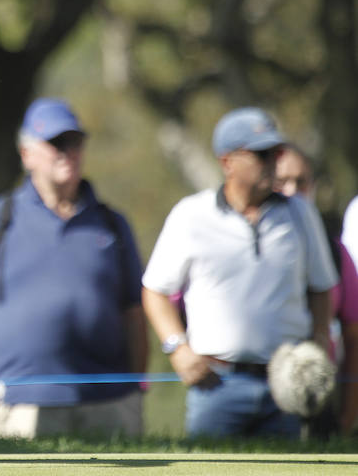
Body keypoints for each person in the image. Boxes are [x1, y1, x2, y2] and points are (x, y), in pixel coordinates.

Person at [0, 98, 148, 439]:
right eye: (56, 143)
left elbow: (134, 309)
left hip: (110, 402)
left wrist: (135, 388)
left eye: (75, 142)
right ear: (27, 155)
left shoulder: (112, 223)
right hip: (21, 404)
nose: (67, 151)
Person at [142, 107, 338, 439]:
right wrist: (177, 348)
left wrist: (319, 337)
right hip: (216, 384)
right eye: (260, 154)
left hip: (284, 383)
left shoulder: (301, 213)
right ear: (226, 162)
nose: (273, 162)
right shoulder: (192, 215)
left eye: (275, 153)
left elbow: (322, 287)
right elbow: (155, 290)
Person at [274, 143, 358, 434]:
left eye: (301, 182)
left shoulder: (335, 252)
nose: (291, 191)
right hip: (261, 391)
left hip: (324, 391)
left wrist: (349, 411)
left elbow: (353, 332)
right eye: (281, 181)